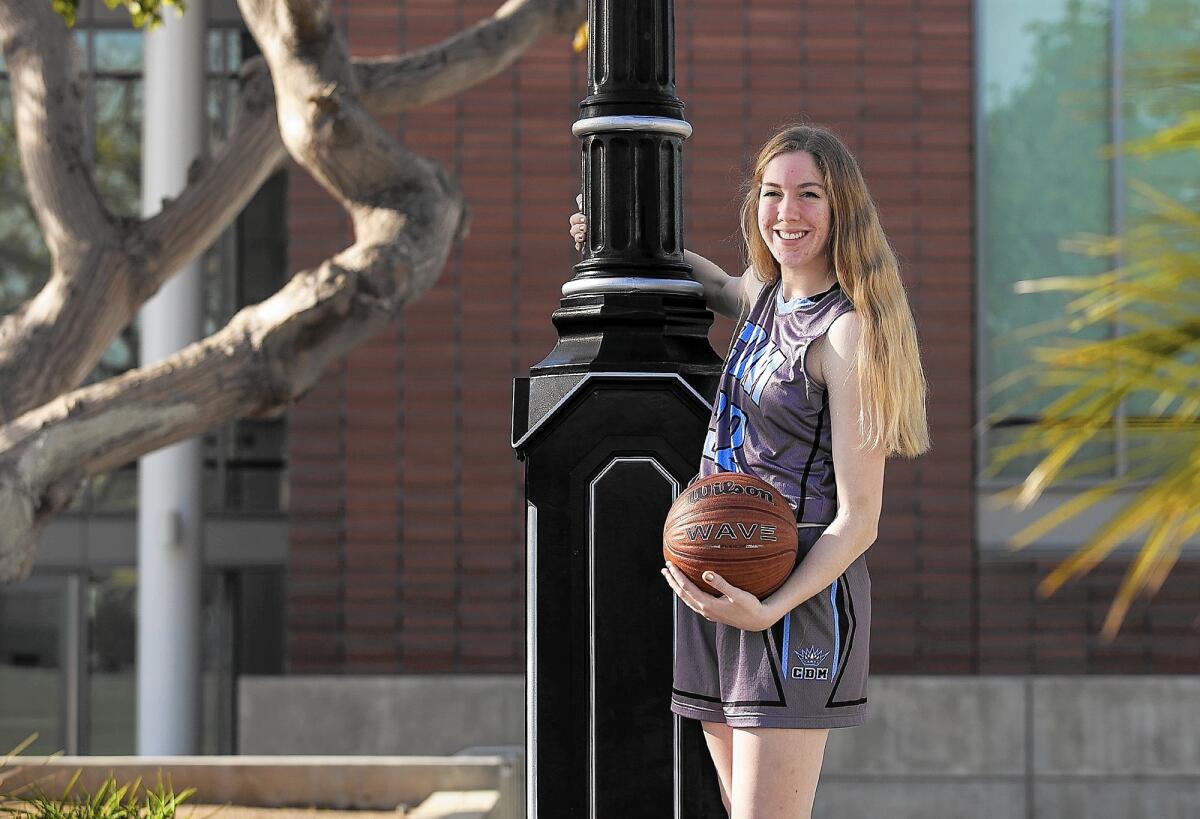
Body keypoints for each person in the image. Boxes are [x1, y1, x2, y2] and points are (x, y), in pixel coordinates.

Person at [569, 123, 929, 818]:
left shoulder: (847, 332)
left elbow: (861, 518)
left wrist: (768, 606)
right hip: (720, 586)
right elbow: (707, 279)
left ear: (841, 208)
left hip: (789, 600)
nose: (786, 212)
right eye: (772, 193)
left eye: (808, 194)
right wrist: (612, 239)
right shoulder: (765, 297)